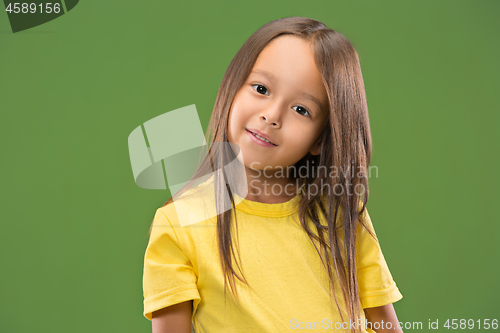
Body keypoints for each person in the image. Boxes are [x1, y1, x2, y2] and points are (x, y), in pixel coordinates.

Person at [143, 17, 404, 333]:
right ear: (232, 88)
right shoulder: (178, 223)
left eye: (301, 110)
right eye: (261, 88)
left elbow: (385, 326)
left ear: (320, 140)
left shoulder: (341, 217)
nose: (272, 115)